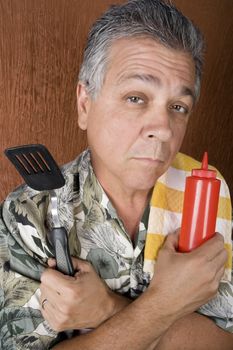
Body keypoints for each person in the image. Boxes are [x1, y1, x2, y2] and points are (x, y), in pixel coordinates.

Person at [0, 0, 233, 349]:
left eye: (178, 107)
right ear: (85, 104)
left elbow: (221, 341)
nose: (164, 129)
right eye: (136, 98)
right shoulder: (28, 214)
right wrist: (165, 308)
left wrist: (107, 309)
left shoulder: (205, 195)